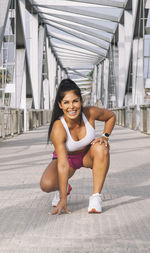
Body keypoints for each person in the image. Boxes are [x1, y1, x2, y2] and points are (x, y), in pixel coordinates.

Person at [40, 79, 116, 215]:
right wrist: (63, 199)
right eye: (66, 102)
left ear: (81, 101)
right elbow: (62, 165)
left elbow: (111, 116)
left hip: (88, 155)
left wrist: (105, 136)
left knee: (102, 147)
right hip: (67, 160)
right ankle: (64, 188)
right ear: (60, 105)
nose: (72, 107)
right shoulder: (58, 128)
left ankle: (96, 197)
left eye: (75, 101)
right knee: (46, 184)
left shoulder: (90, 112)